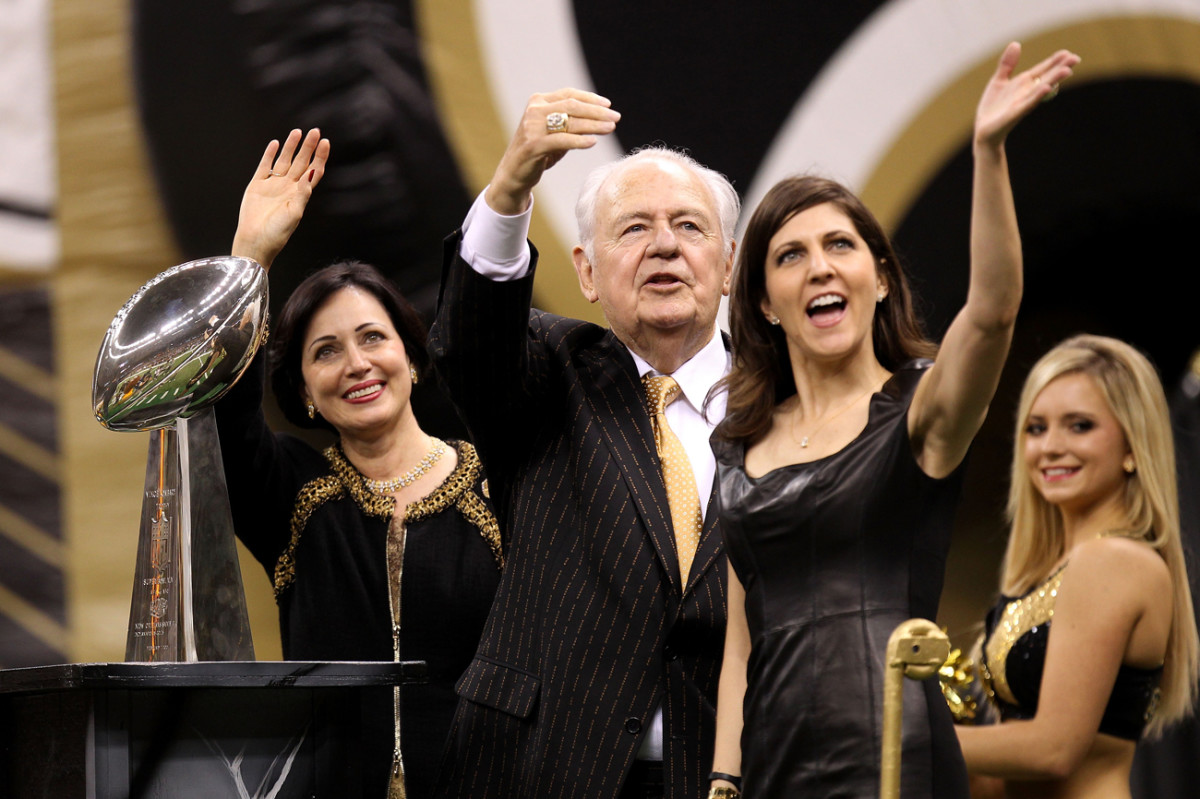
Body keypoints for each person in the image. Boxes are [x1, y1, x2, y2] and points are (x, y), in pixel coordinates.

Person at [707, 42, 1079, 799]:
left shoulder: (921, 408)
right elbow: (740, 643)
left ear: (879, 278)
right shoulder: (737, 444)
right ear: (764, 304)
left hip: (893, 757)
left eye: (840, 245)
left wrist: (988, 152)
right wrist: (722, 781)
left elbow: (995, 311)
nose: (819, 267)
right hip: (772, 767)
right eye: (790, 255)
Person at [427, 89, 737, 798]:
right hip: (548, 768)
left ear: (727, 262)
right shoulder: (546, 370)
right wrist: (512, 184)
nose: (663, 244)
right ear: (588, 271)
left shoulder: (784, 399)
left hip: (726, 774)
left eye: (688, 226)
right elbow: (474, 340)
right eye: (633, 229)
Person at [216, 129, 504, 797]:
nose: (356, 364)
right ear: (306, 395)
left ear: (411, 354)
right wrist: (248, 257)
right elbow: (225, 418)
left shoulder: (499, 485)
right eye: (325, 351)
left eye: (373, 337)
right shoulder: (294, 492)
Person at [955, 335, 1199, 798]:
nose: (1051, 447)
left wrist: (900, 737)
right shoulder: (1052, 567)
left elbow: (1054, 749)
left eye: (1080, 426)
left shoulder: (1113, 560)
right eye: (1036, 428)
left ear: (1133, 445)